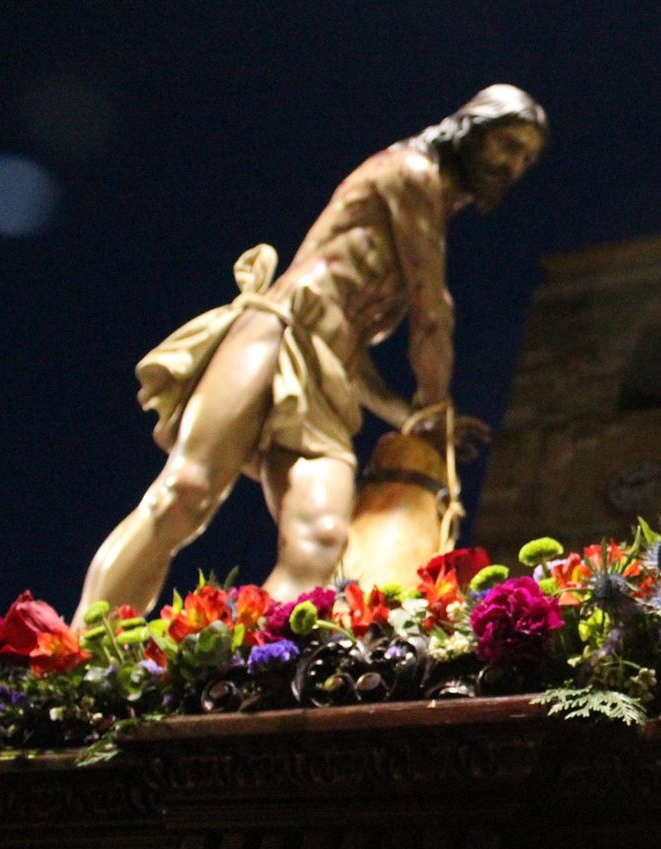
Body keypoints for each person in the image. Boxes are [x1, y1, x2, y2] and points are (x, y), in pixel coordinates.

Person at [73, 84, 547, 626]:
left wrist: (410, 417)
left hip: (330, 374)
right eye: (507, 145)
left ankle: (251, 664)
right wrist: (435, 405)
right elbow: (431, 310)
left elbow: (351, 354)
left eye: (525, 159)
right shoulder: (412, 172)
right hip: (277, 330)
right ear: (470, 129)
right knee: (186, 491)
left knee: (321, 540)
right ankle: (82, 651)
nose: (513, 165)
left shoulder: (428, 212)